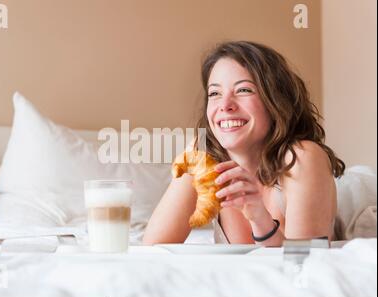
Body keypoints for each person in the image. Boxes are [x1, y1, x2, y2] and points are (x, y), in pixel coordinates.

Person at [143, 41, 345, 247]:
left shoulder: (302, 157)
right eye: (215, 93)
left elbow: (304, 264)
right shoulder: (203, 154)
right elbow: (153, 248)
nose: (225, 105)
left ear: (275, 100)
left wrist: (260, 219)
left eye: (243, 90)